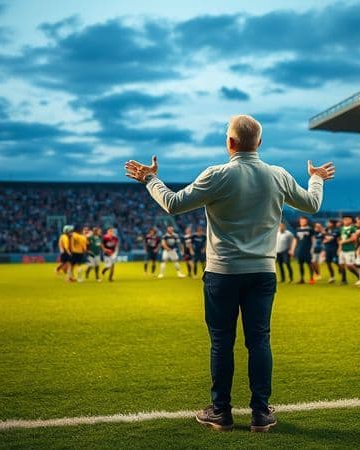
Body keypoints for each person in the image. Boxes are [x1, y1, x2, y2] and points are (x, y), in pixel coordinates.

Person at [125, 114, 333, 433]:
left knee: (222, 342)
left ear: (230, 143)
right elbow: (313, 204)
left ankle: (221, 412)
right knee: (259, 341)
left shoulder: (217, 175)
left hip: (222, 272)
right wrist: (316, 177)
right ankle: (261, 413)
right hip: (262, 272)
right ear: (259, 143)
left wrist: (150, 179)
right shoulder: (278, 175)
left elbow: (172, 204)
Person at [337, 215, 358, 285]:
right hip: (343, 249)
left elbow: (354, 238)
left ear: (351, 220)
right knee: (341, 265)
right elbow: (341, 239)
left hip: (350, 249)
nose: (346, 220)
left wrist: (344, 242)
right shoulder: (342, 229)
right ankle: (344, 280)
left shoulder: (353, 228)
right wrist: (339, 248)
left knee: (349, 265)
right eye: (344, 219)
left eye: (348, 219)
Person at [294, 217, 314, 284]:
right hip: (300, 250)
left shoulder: (310, 229)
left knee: (309, 264)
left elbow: (313, 239)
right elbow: (295, 240)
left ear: (307, 222)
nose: (302, 222)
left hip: (307, 250)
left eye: (304, 221)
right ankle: (302, 279)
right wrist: (293, 249)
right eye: (301, 221)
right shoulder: (297, 229)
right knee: (300, 265)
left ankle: (311, 278)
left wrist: (312, 248)